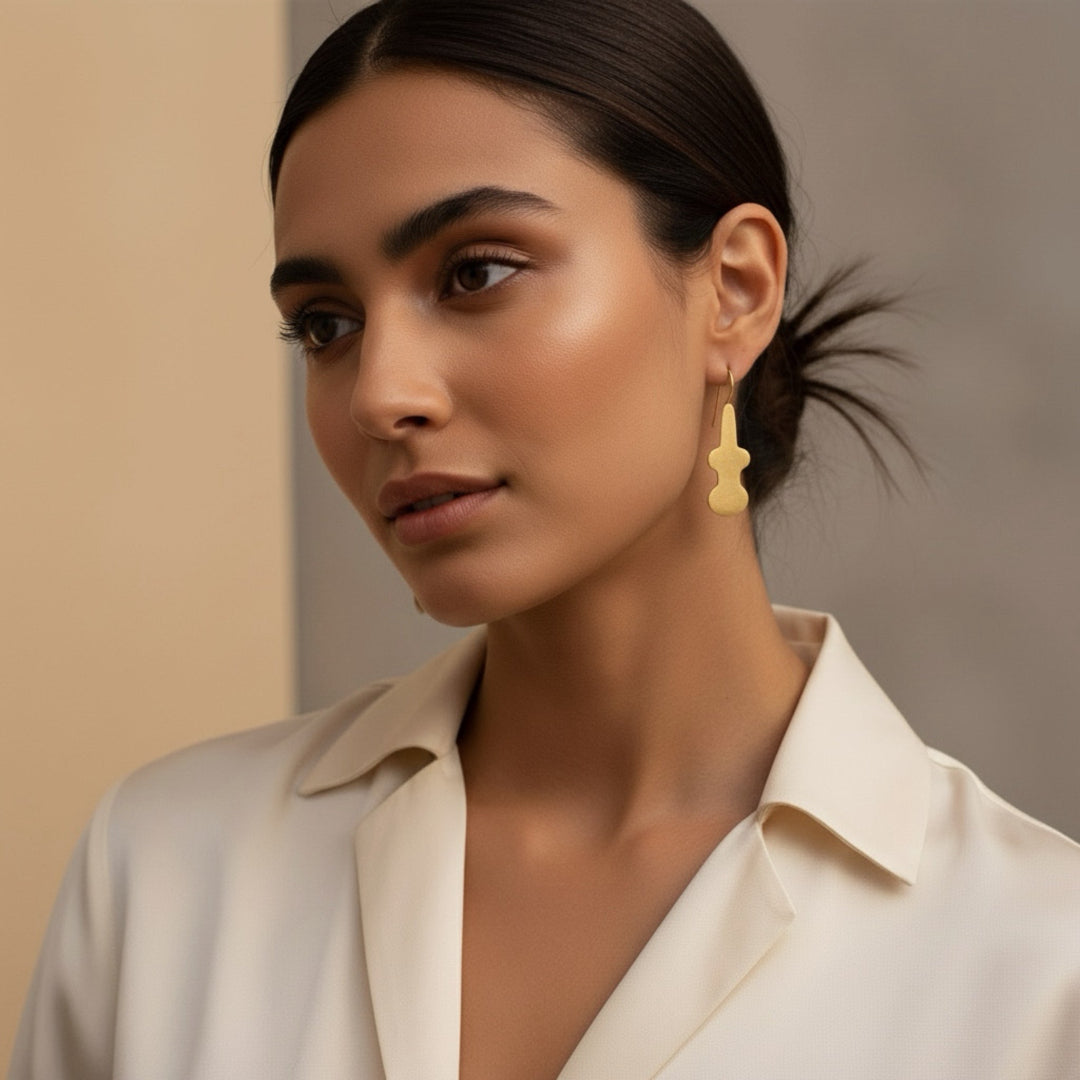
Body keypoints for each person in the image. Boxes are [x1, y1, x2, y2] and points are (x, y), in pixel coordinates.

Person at [11, 1, 1080, 1077]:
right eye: (327, 325)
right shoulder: (165, 877)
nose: (382, 395)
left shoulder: (1038, 969)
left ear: (736, 290)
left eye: (476, 272)